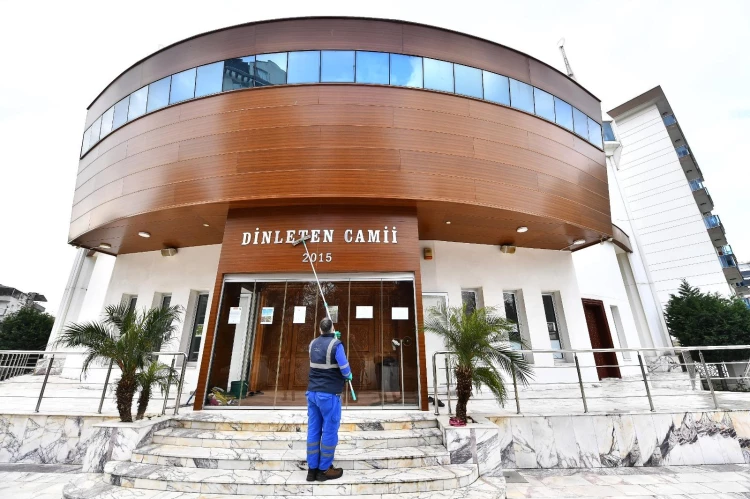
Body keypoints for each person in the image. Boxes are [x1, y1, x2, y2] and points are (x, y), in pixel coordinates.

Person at [306, 317, 352, 482]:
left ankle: (312, 470)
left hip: (312, 393)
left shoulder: (312, 344)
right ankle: (324, 470)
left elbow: (320, 357)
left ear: (320, 330)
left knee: (313, 430)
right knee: (329, 431)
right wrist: (348, 375)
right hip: (329, 395)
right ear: (333, 328)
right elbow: (344, 367)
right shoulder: (336, 345)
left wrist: (331, 337)